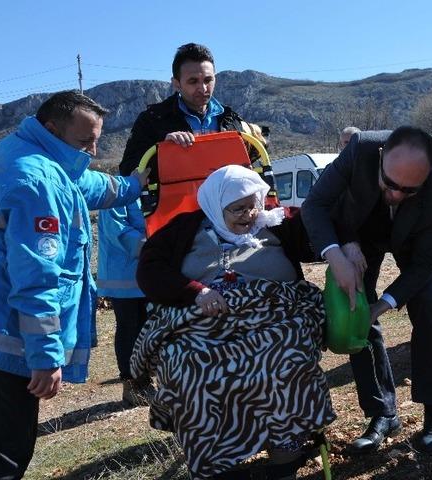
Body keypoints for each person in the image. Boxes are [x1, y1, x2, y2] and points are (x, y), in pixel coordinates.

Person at [0, 91, 149, 479]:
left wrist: (133, 185)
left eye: (97, 139)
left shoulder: (29, 151)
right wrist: (45, 355)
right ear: (53, 128)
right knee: (6, 457)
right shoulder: (36, 182)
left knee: (1, 446)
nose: (93, 149)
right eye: (85, 141)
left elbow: (86, 183)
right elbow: (36, 279)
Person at [132, 165, 335, 479]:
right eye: (238, 209)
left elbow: (320, 225)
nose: (249, 214)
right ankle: (217, 463)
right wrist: (195, 292)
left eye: (253, 204)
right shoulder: (183, 229)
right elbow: (149, 270)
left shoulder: (275, 221)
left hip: (274, 315)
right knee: (187, 367)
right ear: (215, 206)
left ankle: (286, 455)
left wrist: (341, 247)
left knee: (286, 358)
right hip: (202, 319)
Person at [301, 126, 432, 453]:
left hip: (413, 240)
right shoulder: (359, 149)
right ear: (382, 156)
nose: (397, 194)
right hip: (358, 232)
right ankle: (382, 414)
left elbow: (425, 263)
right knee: (355, 308)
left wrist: (382, 305)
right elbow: (315, 205)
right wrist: (339, 253)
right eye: (391, 184)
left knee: (427, 305)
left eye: (409, 190)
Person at [118, 42, 248, 176]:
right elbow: (127, 169)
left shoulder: (230, 118)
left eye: (208, 80)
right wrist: (164, 150)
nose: (203, 88)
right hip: (174, 197)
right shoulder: (152, 120)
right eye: (193, 81)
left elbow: (248, 163)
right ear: (176, 84)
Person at [96, 201, 152, 406]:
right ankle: (132, 385)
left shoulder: (143, 192)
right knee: (129, 328)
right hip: (123, 277)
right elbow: (118, 231)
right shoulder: (116, 195)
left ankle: (144, 381)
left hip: (146, 274)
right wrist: (151, 244)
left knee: (145, 327)